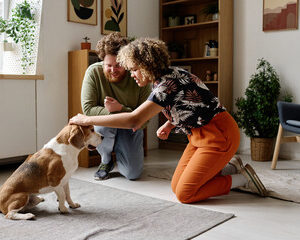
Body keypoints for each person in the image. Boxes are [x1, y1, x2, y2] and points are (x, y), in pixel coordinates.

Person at [71, 38, 268, 203]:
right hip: (199, 137)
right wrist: (170, 123)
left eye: (134, 69)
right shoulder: (171, 75)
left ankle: (241, 179)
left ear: (146, 65)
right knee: (176, 185)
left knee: (185, 194)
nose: (131, 75)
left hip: (219, 136)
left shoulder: (165, 86)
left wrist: (86, 118)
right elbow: (192, 105)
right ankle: (229, 166)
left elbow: (134, 120)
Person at [81, 33, 151, 181]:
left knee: (132, 174)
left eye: (118, 65)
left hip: (130, 126)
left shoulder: (139, 76)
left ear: (126, 62)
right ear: (102, 62)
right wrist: (112, 113)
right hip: (105, 126)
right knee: (101, 125)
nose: (113, 70)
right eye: (108, 66)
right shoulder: (93, 72)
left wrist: (120, 110)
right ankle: (106, 160)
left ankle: (121, 149)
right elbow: (88, 110)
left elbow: (145, 118)